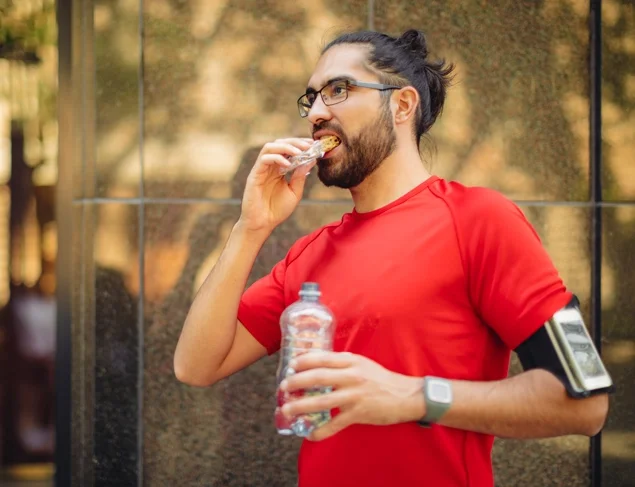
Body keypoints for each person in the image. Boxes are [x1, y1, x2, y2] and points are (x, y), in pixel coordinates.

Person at [174, 29, 611, 487]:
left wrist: (414, 395)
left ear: (402, 105)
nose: (317, 113)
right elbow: (196, 366)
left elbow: (585, 402)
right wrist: (251, 229)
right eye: (311, 99)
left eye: (338, 90)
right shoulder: (309, 253)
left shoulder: (480, 220)